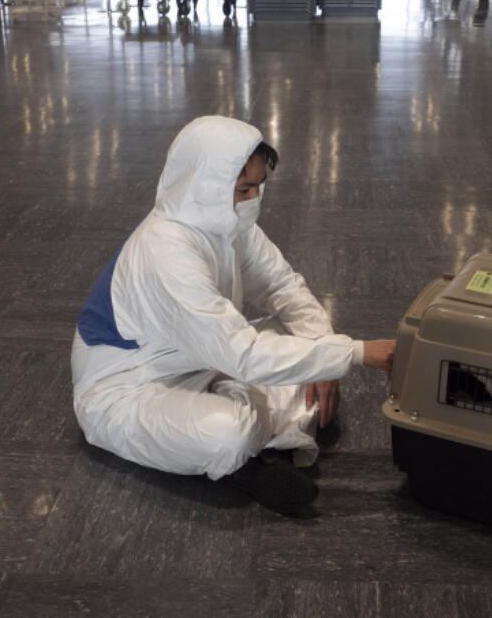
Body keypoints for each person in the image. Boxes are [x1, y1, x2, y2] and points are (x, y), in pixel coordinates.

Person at [71, 116, 396, 516]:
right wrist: (355, 354)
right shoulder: (165, 254)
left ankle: (252, 440)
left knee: (303, 347)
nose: (253, 200)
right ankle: (249, 468)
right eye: (243, 189)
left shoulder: (226, 221)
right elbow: (242, 355)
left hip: (200, 356)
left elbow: (282, 287)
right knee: (227, 434)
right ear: (204, 185)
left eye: (258, 187)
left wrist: (321, 354)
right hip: (128, 388)